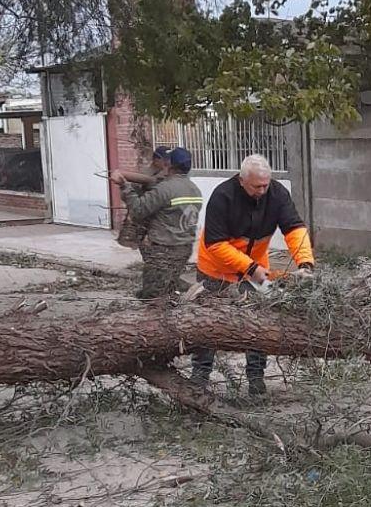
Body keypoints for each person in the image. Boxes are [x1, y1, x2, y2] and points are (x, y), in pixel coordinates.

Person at [193, 154, 316, 395]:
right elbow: (216, 245)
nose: (262, 190)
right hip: (215, 269)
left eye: (265, 185)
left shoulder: (277, 194)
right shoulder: (222, 196)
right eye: (256, 186)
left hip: (254, 269)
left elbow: (294, 228)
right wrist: (250, 268)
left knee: (258, 325)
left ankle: (256, 381)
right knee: (207, 326)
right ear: (242, 180)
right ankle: (199, 379)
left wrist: (305, 263)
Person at [111, 147, 203, 301]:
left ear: (169, 165)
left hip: (163, 251)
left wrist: (124, 186)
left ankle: (190, 295)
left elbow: (139, 210)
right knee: (168, 286)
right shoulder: (195, 190)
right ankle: (180, 302)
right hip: (184, 249)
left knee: (152, 296)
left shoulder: (165, 189)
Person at [115, 147, 172, 249]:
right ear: (156, 159)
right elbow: (126, 196)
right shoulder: (143, 174)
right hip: (142, 218)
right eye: (165, 160)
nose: (168, 162)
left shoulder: (166, 174)